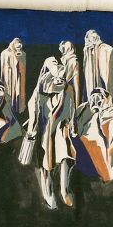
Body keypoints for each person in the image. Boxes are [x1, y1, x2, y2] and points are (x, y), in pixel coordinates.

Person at [26, 57, 76, 209]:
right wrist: (31, 130)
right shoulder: (39, 92)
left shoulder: (68, 89)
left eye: (61, 77)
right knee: (46, 165)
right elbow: (33, 112)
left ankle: (64, 190)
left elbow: (72, 109)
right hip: (45, 132)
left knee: (66, 157)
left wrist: (73, 126)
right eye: (55, 77)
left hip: (61, 129)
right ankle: (48, 195)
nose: (59, 80)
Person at [75, 88, 113, 182]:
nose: (95, 100)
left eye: (99, 97)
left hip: (111, 162)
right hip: (94, 161)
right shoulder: (88, 114)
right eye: (93, 97)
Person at [83, 29, 113, 100]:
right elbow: (86, 65)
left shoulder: (104, 47)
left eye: (95, 37)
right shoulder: (87, 49)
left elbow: (109, 49)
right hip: (92, 74)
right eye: (92, 37)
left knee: (103, 86)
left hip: (101, 72)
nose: (94, 38)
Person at [0, 38, 26, 114]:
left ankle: (17, 108)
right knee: (9, 91)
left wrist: (19, 57)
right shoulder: (5, 52)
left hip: (18, 76)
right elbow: (4, 66)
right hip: (8, 76)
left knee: (18, 90)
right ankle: (7, 108)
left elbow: (23, 65)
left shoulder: (23, 53)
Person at [59, 40, 80, 108]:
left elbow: (68, 78)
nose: (62, 51)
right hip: (66, 87)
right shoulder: (66, 60)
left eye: (63, 49)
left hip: (69, 88)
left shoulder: (73, 61)